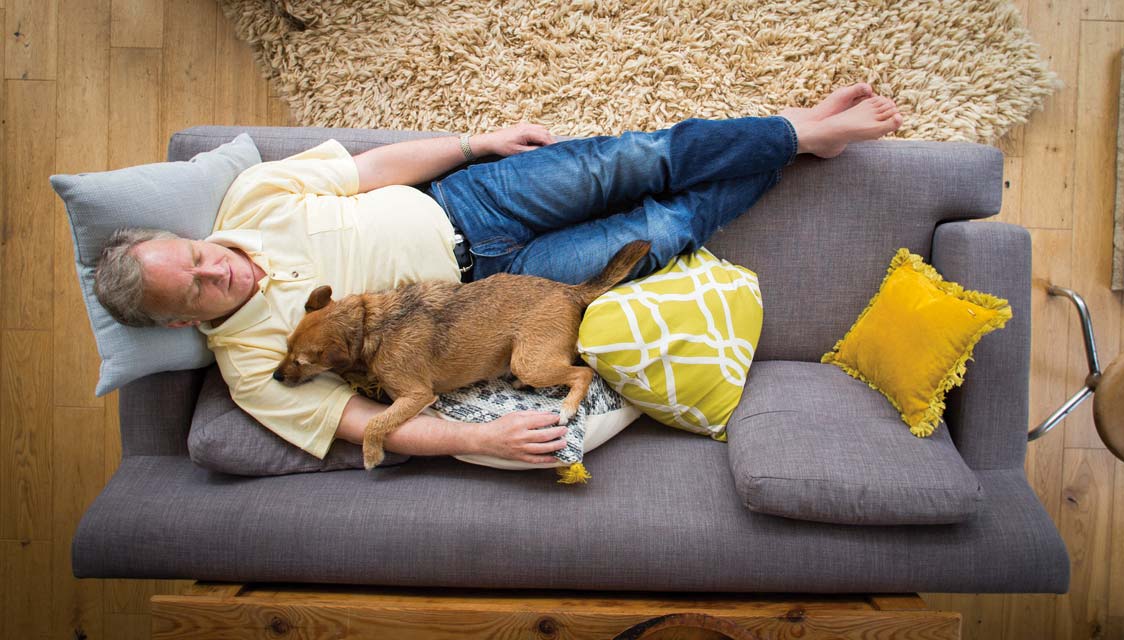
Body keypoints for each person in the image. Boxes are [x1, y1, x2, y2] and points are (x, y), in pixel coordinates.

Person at [94, 84, 902, 465]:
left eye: (196, 254)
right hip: (509, 295)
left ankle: (799, 131)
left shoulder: (249, 198)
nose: (215, 268)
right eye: (195, 287)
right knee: (664, 229)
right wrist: (477, 437)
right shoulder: (252, 371)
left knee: (637, 158)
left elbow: (371, 169)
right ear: (181, 322)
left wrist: (473, 144)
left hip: (467, 203)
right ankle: (796, 148)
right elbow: (361, 423)